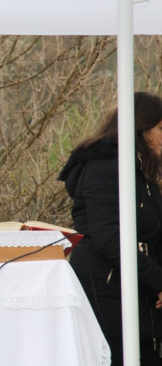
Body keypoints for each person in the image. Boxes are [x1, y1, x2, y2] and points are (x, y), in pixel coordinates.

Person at [58, 92, 162, 366]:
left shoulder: (142, 171)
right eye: (161, 128)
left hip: (138, 290)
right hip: (107, 291)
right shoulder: (105, 167)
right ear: (141, 127)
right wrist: (158, 281)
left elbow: (154, 234)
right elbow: (110, 238)